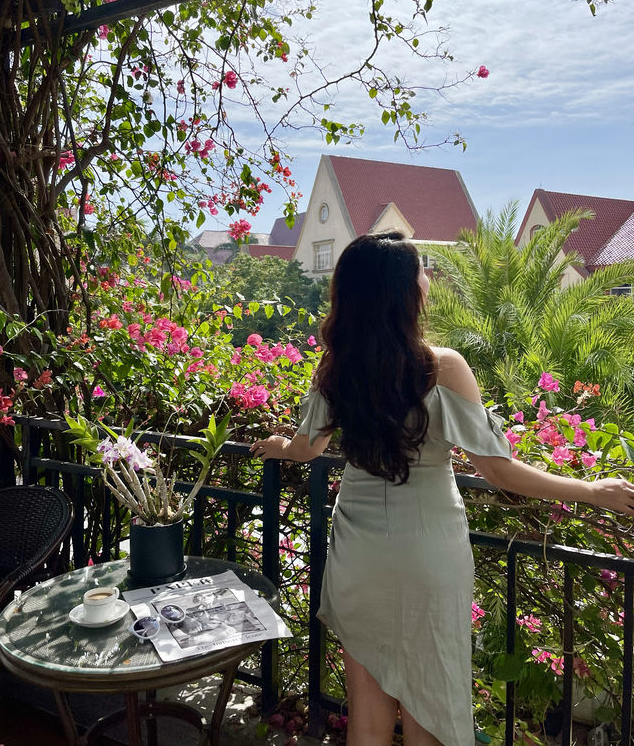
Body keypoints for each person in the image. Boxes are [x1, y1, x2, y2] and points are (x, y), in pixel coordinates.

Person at [250, 231, 634, 746]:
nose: (428, 281)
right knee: (430, 704)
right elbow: (498, 471)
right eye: (420, 273)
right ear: (403, 294)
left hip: (357, 556)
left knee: (367, 709)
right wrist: (591, 491)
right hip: (427, 556)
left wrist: (276, 446)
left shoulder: (336, 371)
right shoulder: (441, 367)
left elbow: (306, 449)